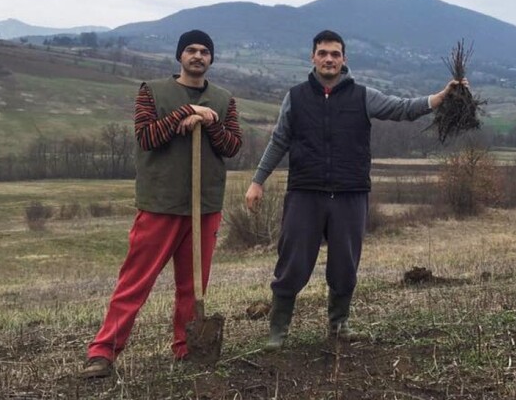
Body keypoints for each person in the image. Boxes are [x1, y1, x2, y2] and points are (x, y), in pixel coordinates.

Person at [245, 29, 466, 351]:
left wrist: (441, 97)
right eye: (323, 53)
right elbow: (279, 140)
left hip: (350, 193)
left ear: (344, 59)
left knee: (345, 264)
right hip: (305, 192)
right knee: (292, 262)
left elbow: (402, 108)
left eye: (335, 54)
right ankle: (277, 332)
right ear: (313, 57)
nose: (329, 59)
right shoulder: (295, 96)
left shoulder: (362, 95)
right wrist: (257, 181)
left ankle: (339, 326)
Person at [81, 29, 242, 378]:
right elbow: (147, 136)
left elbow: (232, 146)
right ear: (179, 56)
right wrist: (186, 111)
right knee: (135, 282)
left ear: (211, 58)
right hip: (160, 204)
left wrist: (209, 121)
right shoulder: (152, 92)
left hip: (205, 206)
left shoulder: (224, 100)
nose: (197, 56)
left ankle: (186, 349)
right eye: (191, 50)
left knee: (192, 287)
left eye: (204, 51)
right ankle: (103, 352)